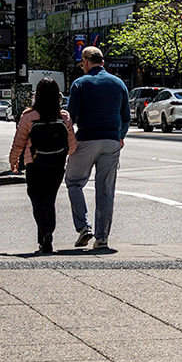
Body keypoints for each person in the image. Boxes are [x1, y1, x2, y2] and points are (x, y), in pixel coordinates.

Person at [65, 46, 129, 251]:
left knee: (74, 182)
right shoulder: (119, 83)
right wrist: (120, 136)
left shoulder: (80, 83)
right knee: (106, 190)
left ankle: (84, 226)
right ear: (102, 61)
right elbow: (126, 117)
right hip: (111, 141)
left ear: (85, 62)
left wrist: (69, 141)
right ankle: (102, 238)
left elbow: (70, 116)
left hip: (86, 139)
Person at [9, 78, 76, 253]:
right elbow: (72, 145)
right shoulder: (63, 116)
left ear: (37, 95)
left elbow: (19, 142)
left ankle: (45, 233)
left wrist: (13, 160)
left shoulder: (28, 116)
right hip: (56, 164)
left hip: (34, 163)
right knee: (50, 200)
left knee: (37, 199)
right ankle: (46, 237)